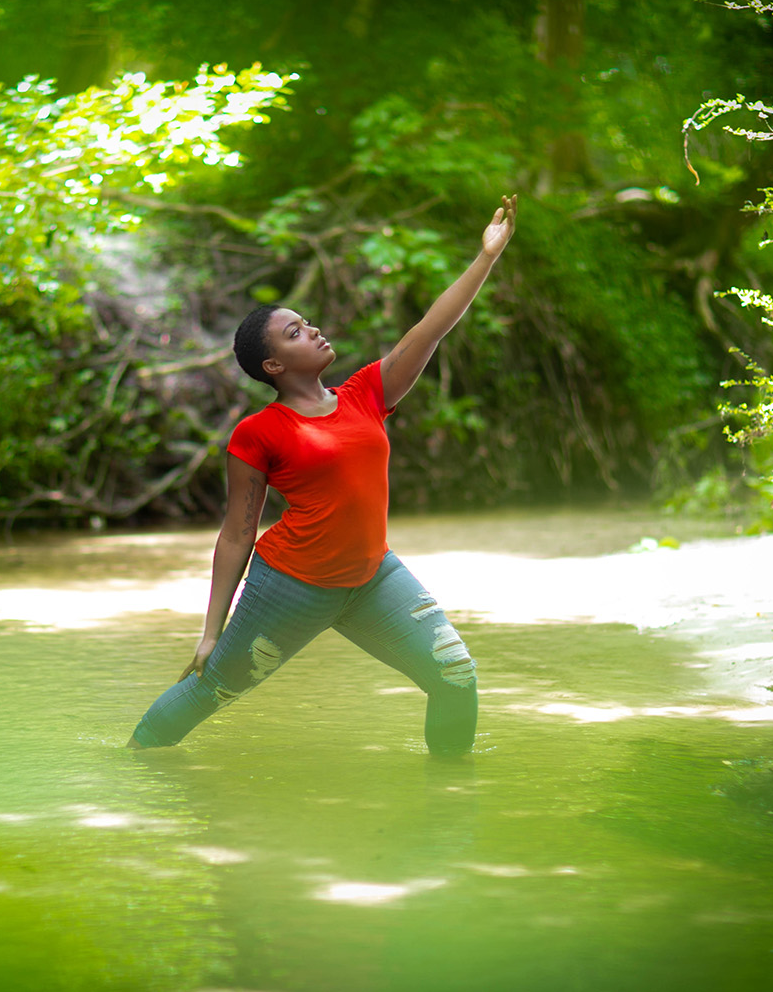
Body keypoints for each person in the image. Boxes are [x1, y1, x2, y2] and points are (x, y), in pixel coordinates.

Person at [128, 196, 517, 755]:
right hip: (291, 585)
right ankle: (132, 770)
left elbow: (430, 329)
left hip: (372, 577)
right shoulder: (257, 432)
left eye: (307, 323)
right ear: (273, 367)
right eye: (293, 333)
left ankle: (450, 805)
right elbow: (238, 532)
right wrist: (211, 631)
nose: (311, 331)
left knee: (456, 677)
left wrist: (486, 257)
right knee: (213, 689)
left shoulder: (366, 394)